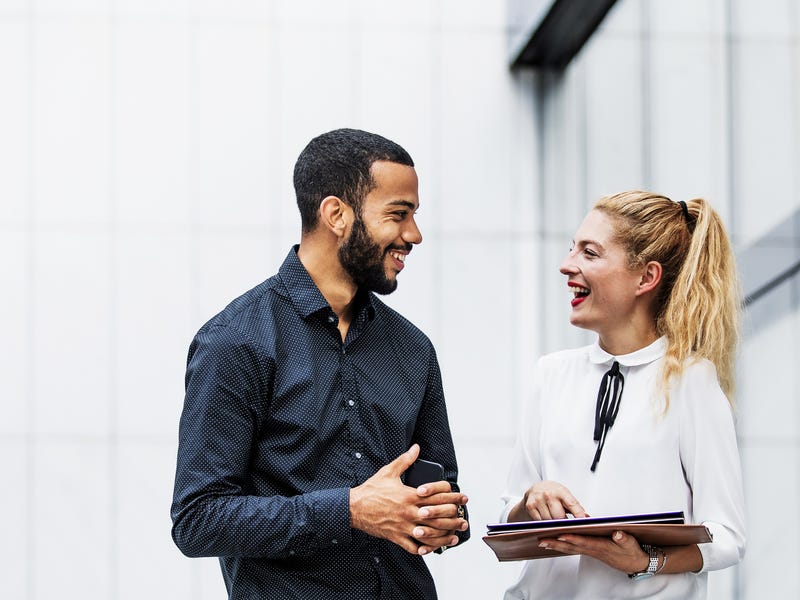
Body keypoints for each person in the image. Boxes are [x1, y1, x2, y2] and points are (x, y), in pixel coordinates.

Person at [171, 128, 470, 599]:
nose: (413, 235)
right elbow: (197, 520)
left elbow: (444, 491)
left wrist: (441, 520)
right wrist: (349, 510)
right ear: (336, 214)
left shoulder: (413, 349)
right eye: (398, 214)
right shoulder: (236, 341)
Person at [500, 191, 746, 599]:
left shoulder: (691, 383)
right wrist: (531, 501)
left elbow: (727, 536)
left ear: (645, 278)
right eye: (571, 249)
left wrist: (644, 562)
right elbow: (509, 512)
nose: (567, 265)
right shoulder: (551, 374)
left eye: (589, 253)